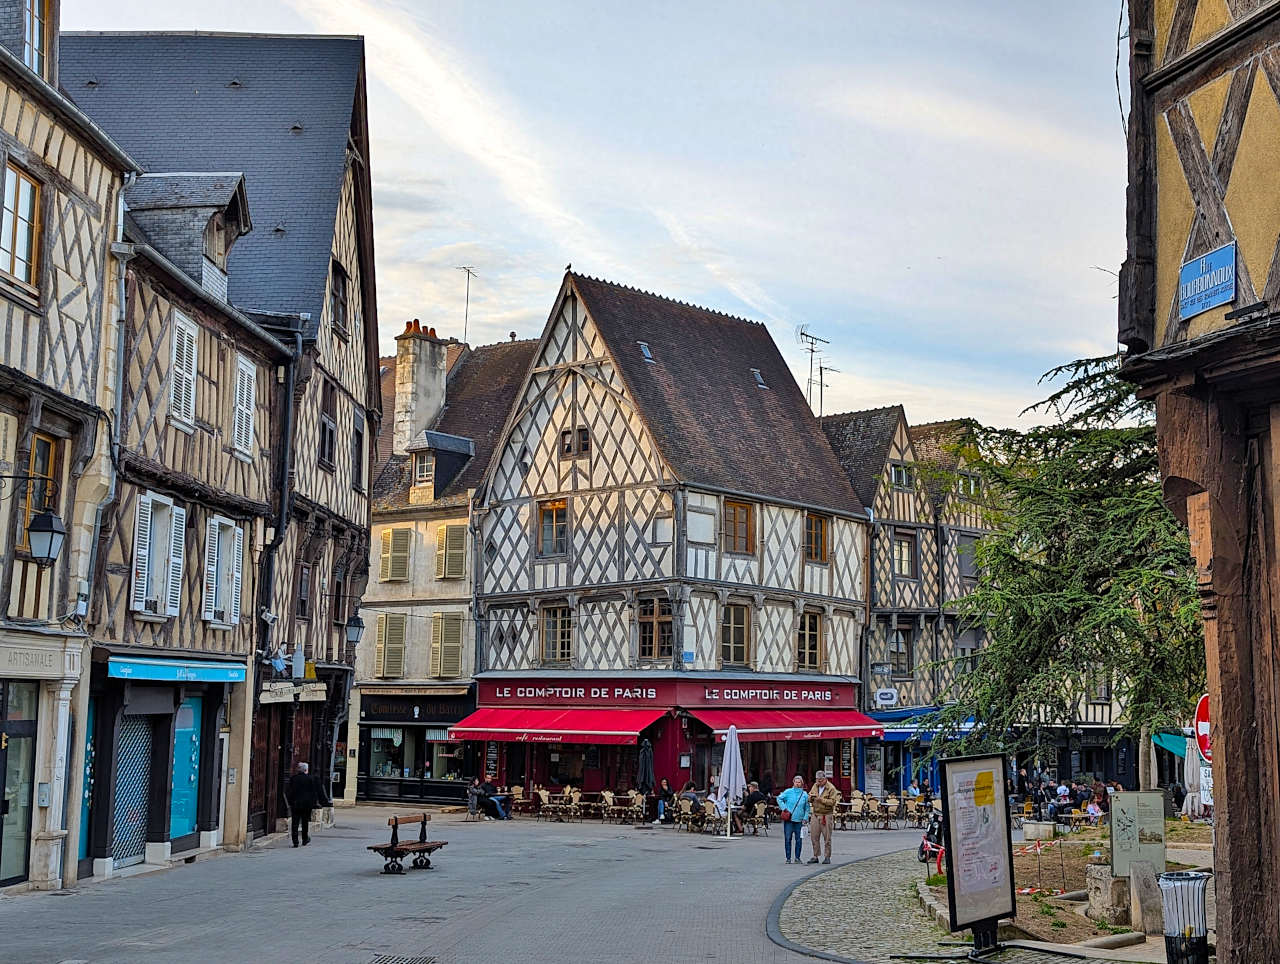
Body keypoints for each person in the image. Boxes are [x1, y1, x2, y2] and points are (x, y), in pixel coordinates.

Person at [284, 761, 326, 848]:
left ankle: (295, 841)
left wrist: (291, 802)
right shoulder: (310, 779)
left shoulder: (293, 778)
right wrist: (313, 802)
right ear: (306, 770)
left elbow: (289, 791)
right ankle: (304, 839)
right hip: (307, 804)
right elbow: (314, 792)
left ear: (298, 769)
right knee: (305, 822)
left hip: (296, 803)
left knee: (295, 823)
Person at [807, 770, 840, 865]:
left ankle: (827, 856)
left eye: (820, 780)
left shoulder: (831, 788)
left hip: (826, 815)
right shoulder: (815, 786)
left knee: (827, 837)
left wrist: (821, 800)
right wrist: (811, 797)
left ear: (825, 779)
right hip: (815, 814)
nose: (818, 782)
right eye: (817, 780)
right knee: (814, 836)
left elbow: (833, 802)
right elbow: (809, 796)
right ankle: (815, 856)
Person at [777, 775, 811, 864]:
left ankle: (797, 857)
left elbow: (807, 808)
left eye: (799, 782)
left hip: (799, 820)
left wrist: (805, 818)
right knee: (788, 839)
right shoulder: (788, 792)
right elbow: (779, 798)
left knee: (799, 840)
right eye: (796, 782)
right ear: (793, 782)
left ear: (802, 783)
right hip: (789, 819)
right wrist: (784, 808)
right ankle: (788, 858)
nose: (797, 784)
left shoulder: (804, 794)